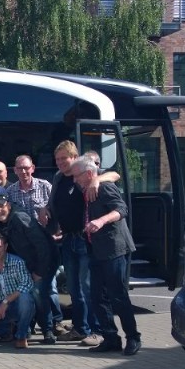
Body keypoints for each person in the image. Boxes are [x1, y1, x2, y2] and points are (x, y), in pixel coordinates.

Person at [41, 141, 120, 346]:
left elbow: (114, 175)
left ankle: (97, 330)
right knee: (74, 288)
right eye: (57, 159)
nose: (60, 163)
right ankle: (80, 328)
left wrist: (96, 181)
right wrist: (46, 209)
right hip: (68, 238)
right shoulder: (58, 178)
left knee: (88, 287)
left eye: (64, 158)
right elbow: (55, 202)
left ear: (75, 157)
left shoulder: (85, 172)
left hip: (85, 239)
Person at [72, 154, 141, 355]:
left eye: (77, 176)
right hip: (95, 249)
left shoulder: (104, 187)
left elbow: (122, 209)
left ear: (88, 174)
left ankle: (133, 337)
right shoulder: (87, 185)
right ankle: (110, 338)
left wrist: (101, 221)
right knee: (97, 297)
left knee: (118, 296)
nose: (74, 180)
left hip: (114, 249)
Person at [0, 192, 57, 344]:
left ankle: (48, 330)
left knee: (38, 293)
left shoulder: (20, 218)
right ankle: (26, 329)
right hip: (22, 263)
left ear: (8, 206)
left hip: (44, 259)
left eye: (2, 206)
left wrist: (39, 272)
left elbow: (42, 245)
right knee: (24, 294)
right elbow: (0, 244)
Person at [6, 155, 62, 335]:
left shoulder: (45, 186)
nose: (23, 171)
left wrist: (57, 230)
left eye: (26, 167)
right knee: (30, 288)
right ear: (14, 170)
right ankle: (32, 323)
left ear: (33, 168)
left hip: (45, 246)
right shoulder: (11, 191)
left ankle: (56, 323)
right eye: (19, 168)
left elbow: (58, 209)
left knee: (49, 287)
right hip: (25, 249)